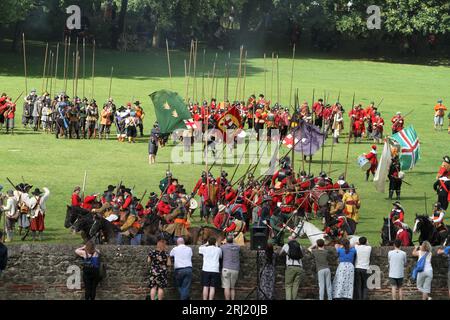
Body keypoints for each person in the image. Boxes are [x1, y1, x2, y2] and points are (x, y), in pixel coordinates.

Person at [221, 235, 240, 300]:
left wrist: (224, 242)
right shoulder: (237, 247)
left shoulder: (223, 247)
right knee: (232, 287)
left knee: (226, 287)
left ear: (226, 240)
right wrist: (233, 240)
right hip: (235, 269)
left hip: (226, 268)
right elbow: (236, 244)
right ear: (233, 240)